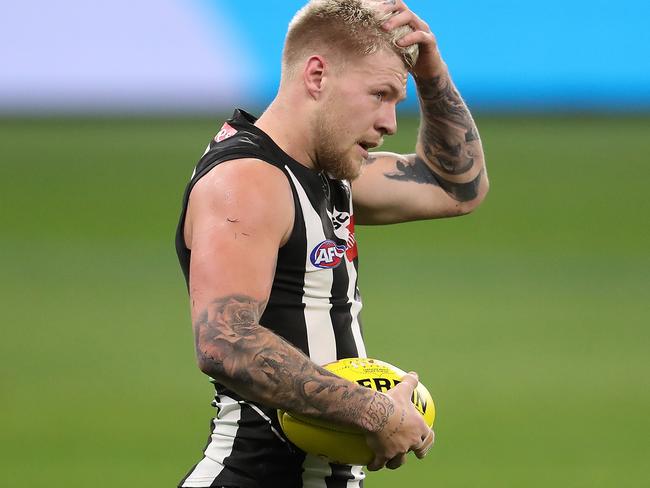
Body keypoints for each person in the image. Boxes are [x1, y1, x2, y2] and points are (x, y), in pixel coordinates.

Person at [174, 0, 488, 486]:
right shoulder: (247, 181)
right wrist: (375, 414)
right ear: (317, 76)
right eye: (380, 94)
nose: (389, 123)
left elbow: (456, 186)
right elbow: (224, 341)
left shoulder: (328, 171)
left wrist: (431, 72)